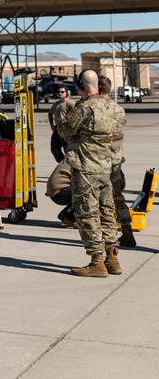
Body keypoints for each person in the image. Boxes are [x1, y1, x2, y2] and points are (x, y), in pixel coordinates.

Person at [58, 69, 121, 277]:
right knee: (106, 212)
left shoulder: (85, 107)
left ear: (83, 86)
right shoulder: (112, 107)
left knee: (87, 214)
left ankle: (97, 262)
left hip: (86, 168)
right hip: (106, 167)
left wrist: (61, 120)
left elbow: (66, 131)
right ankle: (112, 258)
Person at [99, 77, 135, 247]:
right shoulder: (119, 109)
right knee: (118, 196)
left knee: (103, 198)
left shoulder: (98, 108)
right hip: (117, 158)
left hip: (102, 159)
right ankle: (126, 229)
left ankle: (108, 237)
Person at [48, 85, 76, 163]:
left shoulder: (70, 103)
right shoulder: (57, 104)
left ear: (67, 93)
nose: (60, 93)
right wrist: (51, 124)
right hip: (57, 129)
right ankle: (62, 163)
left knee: (67, 149)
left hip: (66, 129)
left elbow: (76, 114)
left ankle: (69, 167)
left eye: (62, 92)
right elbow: (50, 113)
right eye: (59, 92)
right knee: (54, 148)